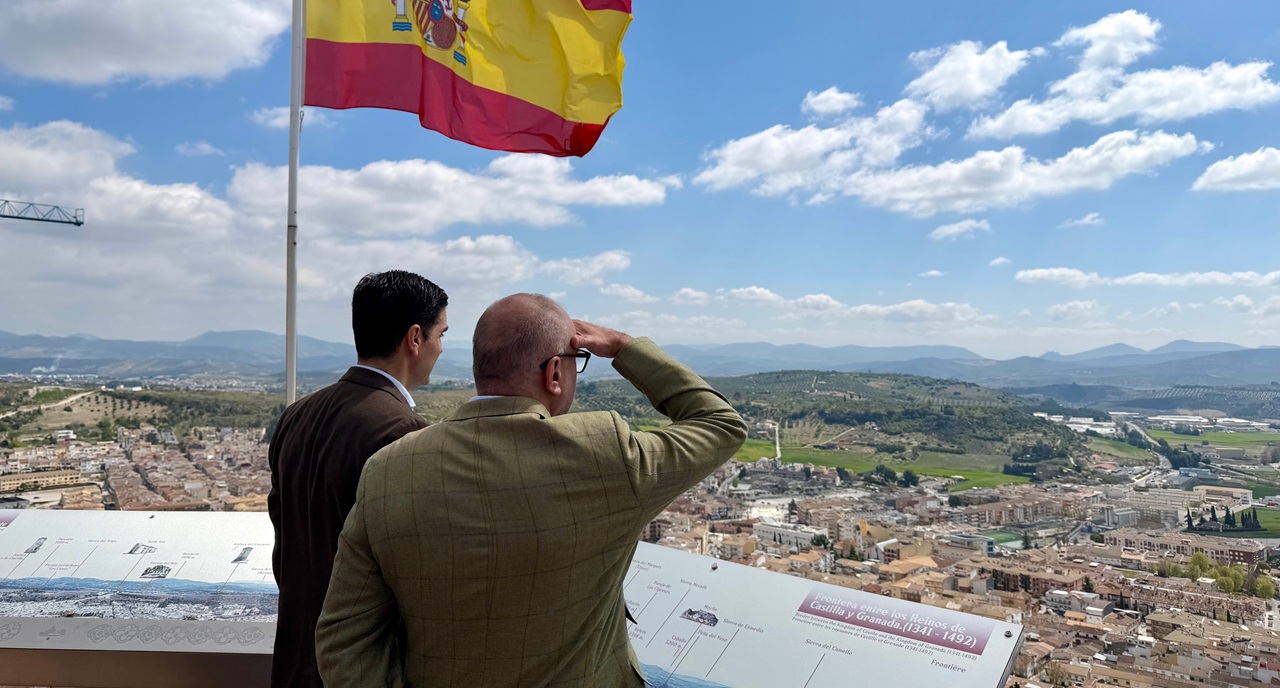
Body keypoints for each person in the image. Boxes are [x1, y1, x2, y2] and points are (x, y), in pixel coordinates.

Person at [315, 293, 747, 687]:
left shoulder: (389, 470)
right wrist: (622, 346)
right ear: (554, 372)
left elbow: (344, 637)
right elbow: (721, 423)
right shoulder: (605, 454)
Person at [268, 270, 448, 688]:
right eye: (442, 333)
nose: (442, 347)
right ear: (415, 337)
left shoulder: (297, 415)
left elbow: (286, 539)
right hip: (358, 665)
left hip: (294, 654)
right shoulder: (404, 432)